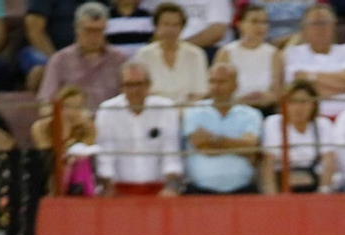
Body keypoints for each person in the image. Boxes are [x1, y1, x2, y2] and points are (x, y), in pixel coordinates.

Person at [93, 62, 181, 193]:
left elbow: (171, 152)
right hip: (118, 188)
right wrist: (108, 190)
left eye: (139, 84)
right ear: (121, 87)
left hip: (159, 187)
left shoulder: (166, 108)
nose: (135, 90)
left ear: (149, 85)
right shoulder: (107, 110)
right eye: (129, 85)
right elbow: (105, 156)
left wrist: (171, 188)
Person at [181, 62, 264, 192]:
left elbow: (250, 146)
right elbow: (198, 142)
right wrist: (238, 148)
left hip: (243, 191)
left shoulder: (251, 114)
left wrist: (213, 140)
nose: (215, 87)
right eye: (212, 82)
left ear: (235, 85)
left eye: (221, 82)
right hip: (200, 192)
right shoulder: (194, 111)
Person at [38, 2, 127, 110]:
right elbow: (45, 102)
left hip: (110, 121)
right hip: (74, 121)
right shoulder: (60, 60)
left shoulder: (119, 59)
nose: (94, 37)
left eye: (98, 31)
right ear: (77, 28)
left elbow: (128, 99)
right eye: (88, 31)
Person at [283, 3, 345, 117]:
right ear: (304, 27)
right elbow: (297, 89)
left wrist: (311, 77)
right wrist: (343, 86)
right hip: (310, 118)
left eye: (325, 22)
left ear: (334, 25)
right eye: (315, 23)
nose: (321, 28)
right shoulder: (294, 53)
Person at [262, 77, 337, 191]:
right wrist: (273, 198)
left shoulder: (323, 124)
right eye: (293, 102)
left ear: (313, 104)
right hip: (282, 182)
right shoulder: (273, 123)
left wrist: (323, 191)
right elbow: (268, 163)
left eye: (303, 102)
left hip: (314, 181)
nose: (298, 108)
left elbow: (329, 160)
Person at [131, 2, 209, 102]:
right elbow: (141, 92)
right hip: (154, 111)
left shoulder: (196, 54)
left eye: (175, 25)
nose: (170, 30)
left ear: (182, 27)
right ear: (157, 26)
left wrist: (182, 113)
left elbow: (200, 92)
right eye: (166, 24)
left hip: (188, 112)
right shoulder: (143, 54)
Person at [216, 4, 282, 110]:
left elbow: (278, 93)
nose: (260, 27)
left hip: (265, 109)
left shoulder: (274, 54)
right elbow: (218, 91)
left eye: (264, 22)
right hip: (233, 109)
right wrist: (241, 100)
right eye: (254, 21)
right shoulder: (226, 52)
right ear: (240, 24)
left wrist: (264, 98)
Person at [23, 0, 82, 89]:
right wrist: (57, 60)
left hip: (83, 52)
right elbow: (34, 30)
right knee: (40, 72)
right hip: (49, 51)